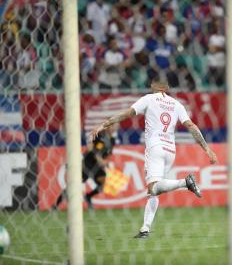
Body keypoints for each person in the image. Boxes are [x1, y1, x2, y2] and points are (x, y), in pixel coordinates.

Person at [91, 80, 218, 239]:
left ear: (156, 86)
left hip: (155, 148)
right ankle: (145, 229)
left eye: (153, 83)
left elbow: (127, 114)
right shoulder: (176, 104)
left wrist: (105, 124)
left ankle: (185, 183)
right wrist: (207, 148)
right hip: (170, 150)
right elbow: (191, 126)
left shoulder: (149, 99)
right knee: (153, 193)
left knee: (153, 187)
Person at [53, 127, 116, 210]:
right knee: (73, 185)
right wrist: (98, 158)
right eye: (113, 125)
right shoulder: (99, 136)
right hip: (87, 164)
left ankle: (88, 196)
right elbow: (90, 147)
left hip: (97, 167)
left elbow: (109, 153)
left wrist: (105, 162)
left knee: (102, 183)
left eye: (116, 125)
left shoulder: (112, 140)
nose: (114, 128)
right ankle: (56, 205)